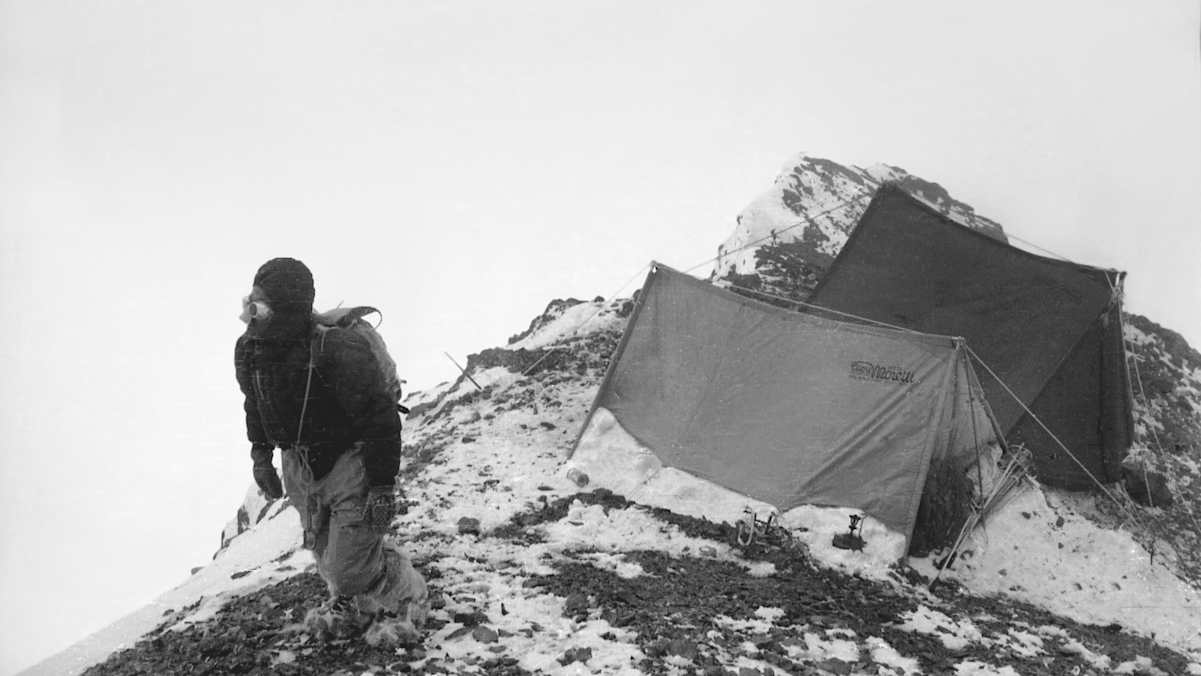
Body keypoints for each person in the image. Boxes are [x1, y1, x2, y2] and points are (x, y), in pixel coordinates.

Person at [234, 257, 428, 646]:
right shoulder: (251, 350)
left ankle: (409, 597)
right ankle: (356, 603)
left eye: (259, 306)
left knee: (349, 566)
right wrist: (261, 455)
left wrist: (382, 488)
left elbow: (380, 419)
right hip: (299, 463)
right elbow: (254, 403)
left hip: (348, 458)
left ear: (288, 309)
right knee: (322, 548)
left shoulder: (337, 349)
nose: (248, 316)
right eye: (248, 303)